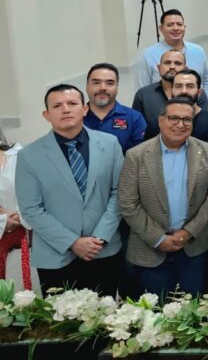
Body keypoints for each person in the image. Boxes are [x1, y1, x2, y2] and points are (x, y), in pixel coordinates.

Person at [15, 85, 123, 295]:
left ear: (85, 109)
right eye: (57, 106)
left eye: (72, 103)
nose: (65, 109)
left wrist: (100, 237)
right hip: (55, 254)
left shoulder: (110, 144)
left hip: (101, 249)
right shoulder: (29, 156)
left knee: (106, 312)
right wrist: (72, 242)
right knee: (60, 315)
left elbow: (119, 193)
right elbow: (31, 209)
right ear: (46, 115)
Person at [119, 97, 208, 296]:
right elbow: (128, 203)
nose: (180, 124)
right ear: (161, 120)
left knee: (195, 309)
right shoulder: (136, 155)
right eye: (173, 118)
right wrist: (158, 238)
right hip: (150, 250)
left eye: (187, 119)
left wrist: (188, 232)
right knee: (154, 311)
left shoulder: (206, 151)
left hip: (193, 249)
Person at [137, 9, 208, 106]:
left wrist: (206, 106)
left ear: (184, 27)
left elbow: (207, 80)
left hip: (196, 109)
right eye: (170, 25)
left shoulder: (198, 51)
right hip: (161, 110)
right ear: (161, 28)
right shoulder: (148, 54)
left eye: (179, 24)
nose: (175, 28)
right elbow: (142, 88)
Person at [133, 48, 208, 131]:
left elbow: (204, 123)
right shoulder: (143, 94)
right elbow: (137, 129)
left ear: (185, 68)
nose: (172, 67)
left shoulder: (197, 93)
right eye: (167, 63)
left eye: (178, 63)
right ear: (159, 68)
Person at [84, 62, 146, 154]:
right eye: (96, 83)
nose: (103, 88)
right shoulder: (75, 117)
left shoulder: (134, 118)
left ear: (117, 87)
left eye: (109, 83)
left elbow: (141, 155)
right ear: (87, 86)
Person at [0, 129, 31, 289]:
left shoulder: (20, 155)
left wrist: (19, 216)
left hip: (26, 234)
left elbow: (38, 192)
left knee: (23, 293)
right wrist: (2, 220)